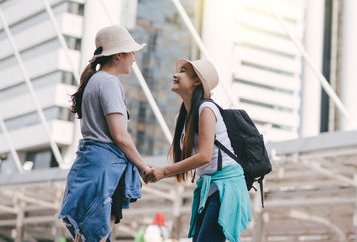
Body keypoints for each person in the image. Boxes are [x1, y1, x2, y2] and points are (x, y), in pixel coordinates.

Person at [58, 25, 151, 242]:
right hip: (107, 170)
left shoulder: (93, 81)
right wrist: (143, 166)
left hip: (89, 166)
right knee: (98, 235)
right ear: (119, 55)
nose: (133, 59)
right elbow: (119, 135)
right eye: (131, 54)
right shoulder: (109, 82)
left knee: (84, 236)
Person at [147, 59, 252, 242]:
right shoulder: (182, 118)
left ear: (197, 81)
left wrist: (163, 171)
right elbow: (187, 163)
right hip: (209, 187)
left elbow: (203, 156)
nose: (175, 74)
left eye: (183, 71)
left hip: (226, 187)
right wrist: (153, 169)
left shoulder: (207, 108)